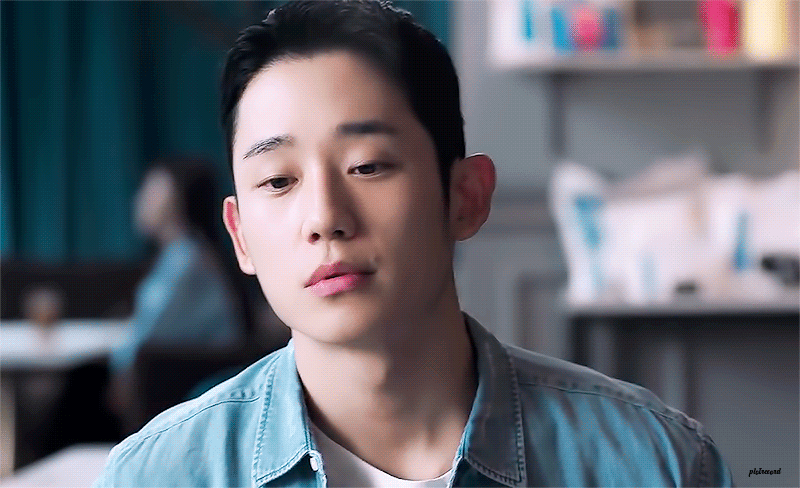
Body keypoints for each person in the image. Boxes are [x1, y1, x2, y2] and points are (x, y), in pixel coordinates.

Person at [95, 1, 733, 486]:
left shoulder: (654, 463)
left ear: (466, 197)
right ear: (240, 236)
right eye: (278, 180)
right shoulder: (159, 475)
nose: (325, 218)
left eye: (367, 165)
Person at [106, 158, 244, 421]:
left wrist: (121, 369)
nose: (140, 200)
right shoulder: (182, 255)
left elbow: (149, 332)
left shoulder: (186, 261)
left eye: (152, 191)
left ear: (177, 201)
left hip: (188, 390)